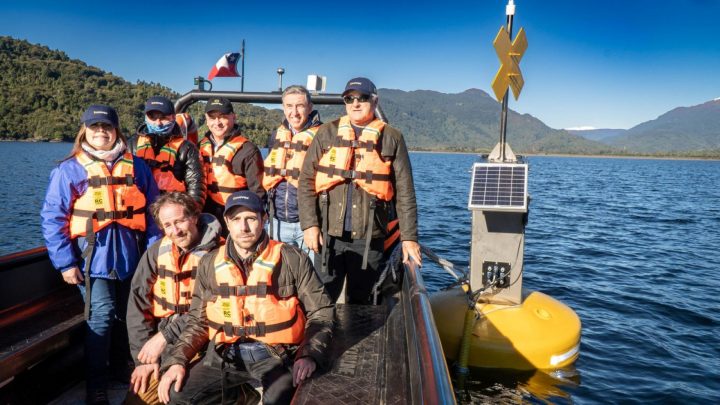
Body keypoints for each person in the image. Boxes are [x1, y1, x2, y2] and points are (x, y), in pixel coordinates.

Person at [157, 191, 334, 405]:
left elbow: (321, 312)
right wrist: (178, 360)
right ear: (227, 223)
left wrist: (309, 355)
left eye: (250, 218)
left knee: (280, 400)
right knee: (178, 395)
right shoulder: (209, 263)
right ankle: (240, 397)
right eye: (236, 220)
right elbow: (197, 322)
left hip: (278, 356)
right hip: (226, 355)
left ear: (264, 219)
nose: (244, 228)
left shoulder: (291, 258)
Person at [41, 104, 161, 405]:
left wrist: (154, 255)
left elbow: (154, 211)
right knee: (102, 318)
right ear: (85, 131)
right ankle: (96, 384)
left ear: (115, 130)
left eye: (106, 127)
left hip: (133, 258)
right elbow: (52, 218)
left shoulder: (137, 166)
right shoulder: (69, 169)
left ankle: (121, 369)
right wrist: (66, 263)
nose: (101, 132)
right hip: (94, 260)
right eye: (94, 127)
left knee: (128, 316)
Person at [298, 77, 423, 304]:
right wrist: (309, 225)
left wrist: (410, 238)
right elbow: (306, 180)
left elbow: (405, 192)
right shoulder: (326, 132)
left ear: (374, 102)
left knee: (363, 304)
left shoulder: (393, 137)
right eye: (349, 99)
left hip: (369, 239)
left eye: (362, 98)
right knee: (320, 301)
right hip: (328, 237)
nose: (355, 103)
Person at [125, 192, 222, 404]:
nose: (175, 231)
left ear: (194, 217)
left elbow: (213, 311)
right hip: (163, 338)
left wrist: (166, 336)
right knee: (136, 399)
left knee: (176, 394)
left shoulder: (221, 254)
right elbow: (137, 305)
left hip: (203, 341)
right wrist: (143, 359)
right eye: (167, 225)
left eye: (179, 221)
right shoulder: (156, 251)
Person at [263, 85, 321, 255]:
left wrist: (314, 224)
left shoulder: (323, 136)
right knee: (281, 278)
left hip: (309, 225)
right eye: (289, 106)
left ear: (309, 107)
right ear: (283, 107)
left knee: (312, 278)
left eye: (300, 106)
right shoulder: (276, 136)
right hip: (277, 222)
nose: (294, 112)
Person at [198, 97, 265, 233]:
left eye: (222, 117)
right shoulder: (199, 146)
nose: (217, 122)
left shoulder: (248, 150)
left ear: (233, 117)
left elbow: (258, 190)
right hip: (206, 214)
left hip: (235, 214)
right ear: (206, 120)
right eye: (212, 117)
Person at [128, 96, 206, 205]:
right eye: (152, 117)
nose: (158, 122)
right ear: (146, 117)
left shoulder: (187, 148)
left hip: (173, 211)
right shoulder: (132, 144)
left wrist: (191, 215)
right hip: (140, 210)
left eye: (163, 117)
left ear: (174, 117)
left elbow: (197, 187)